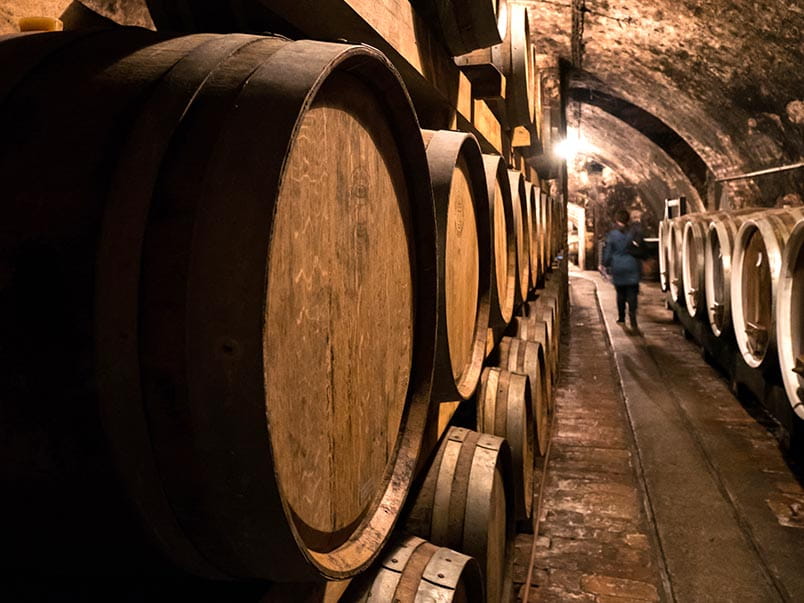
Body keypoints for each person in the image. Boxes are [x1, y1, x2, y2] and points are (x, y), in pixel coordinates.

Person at [602, 209, 644, 332]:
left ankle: (621, 317)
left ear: (616, 220)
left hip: (618, 267)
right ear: (627, 220)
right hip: (632, 266)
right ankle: (633, 319)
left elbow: (608, 253)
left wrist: (605, 264)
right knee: (632, 294)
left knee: (620, 294)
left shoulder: (612, 235)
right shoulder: (633, 233)